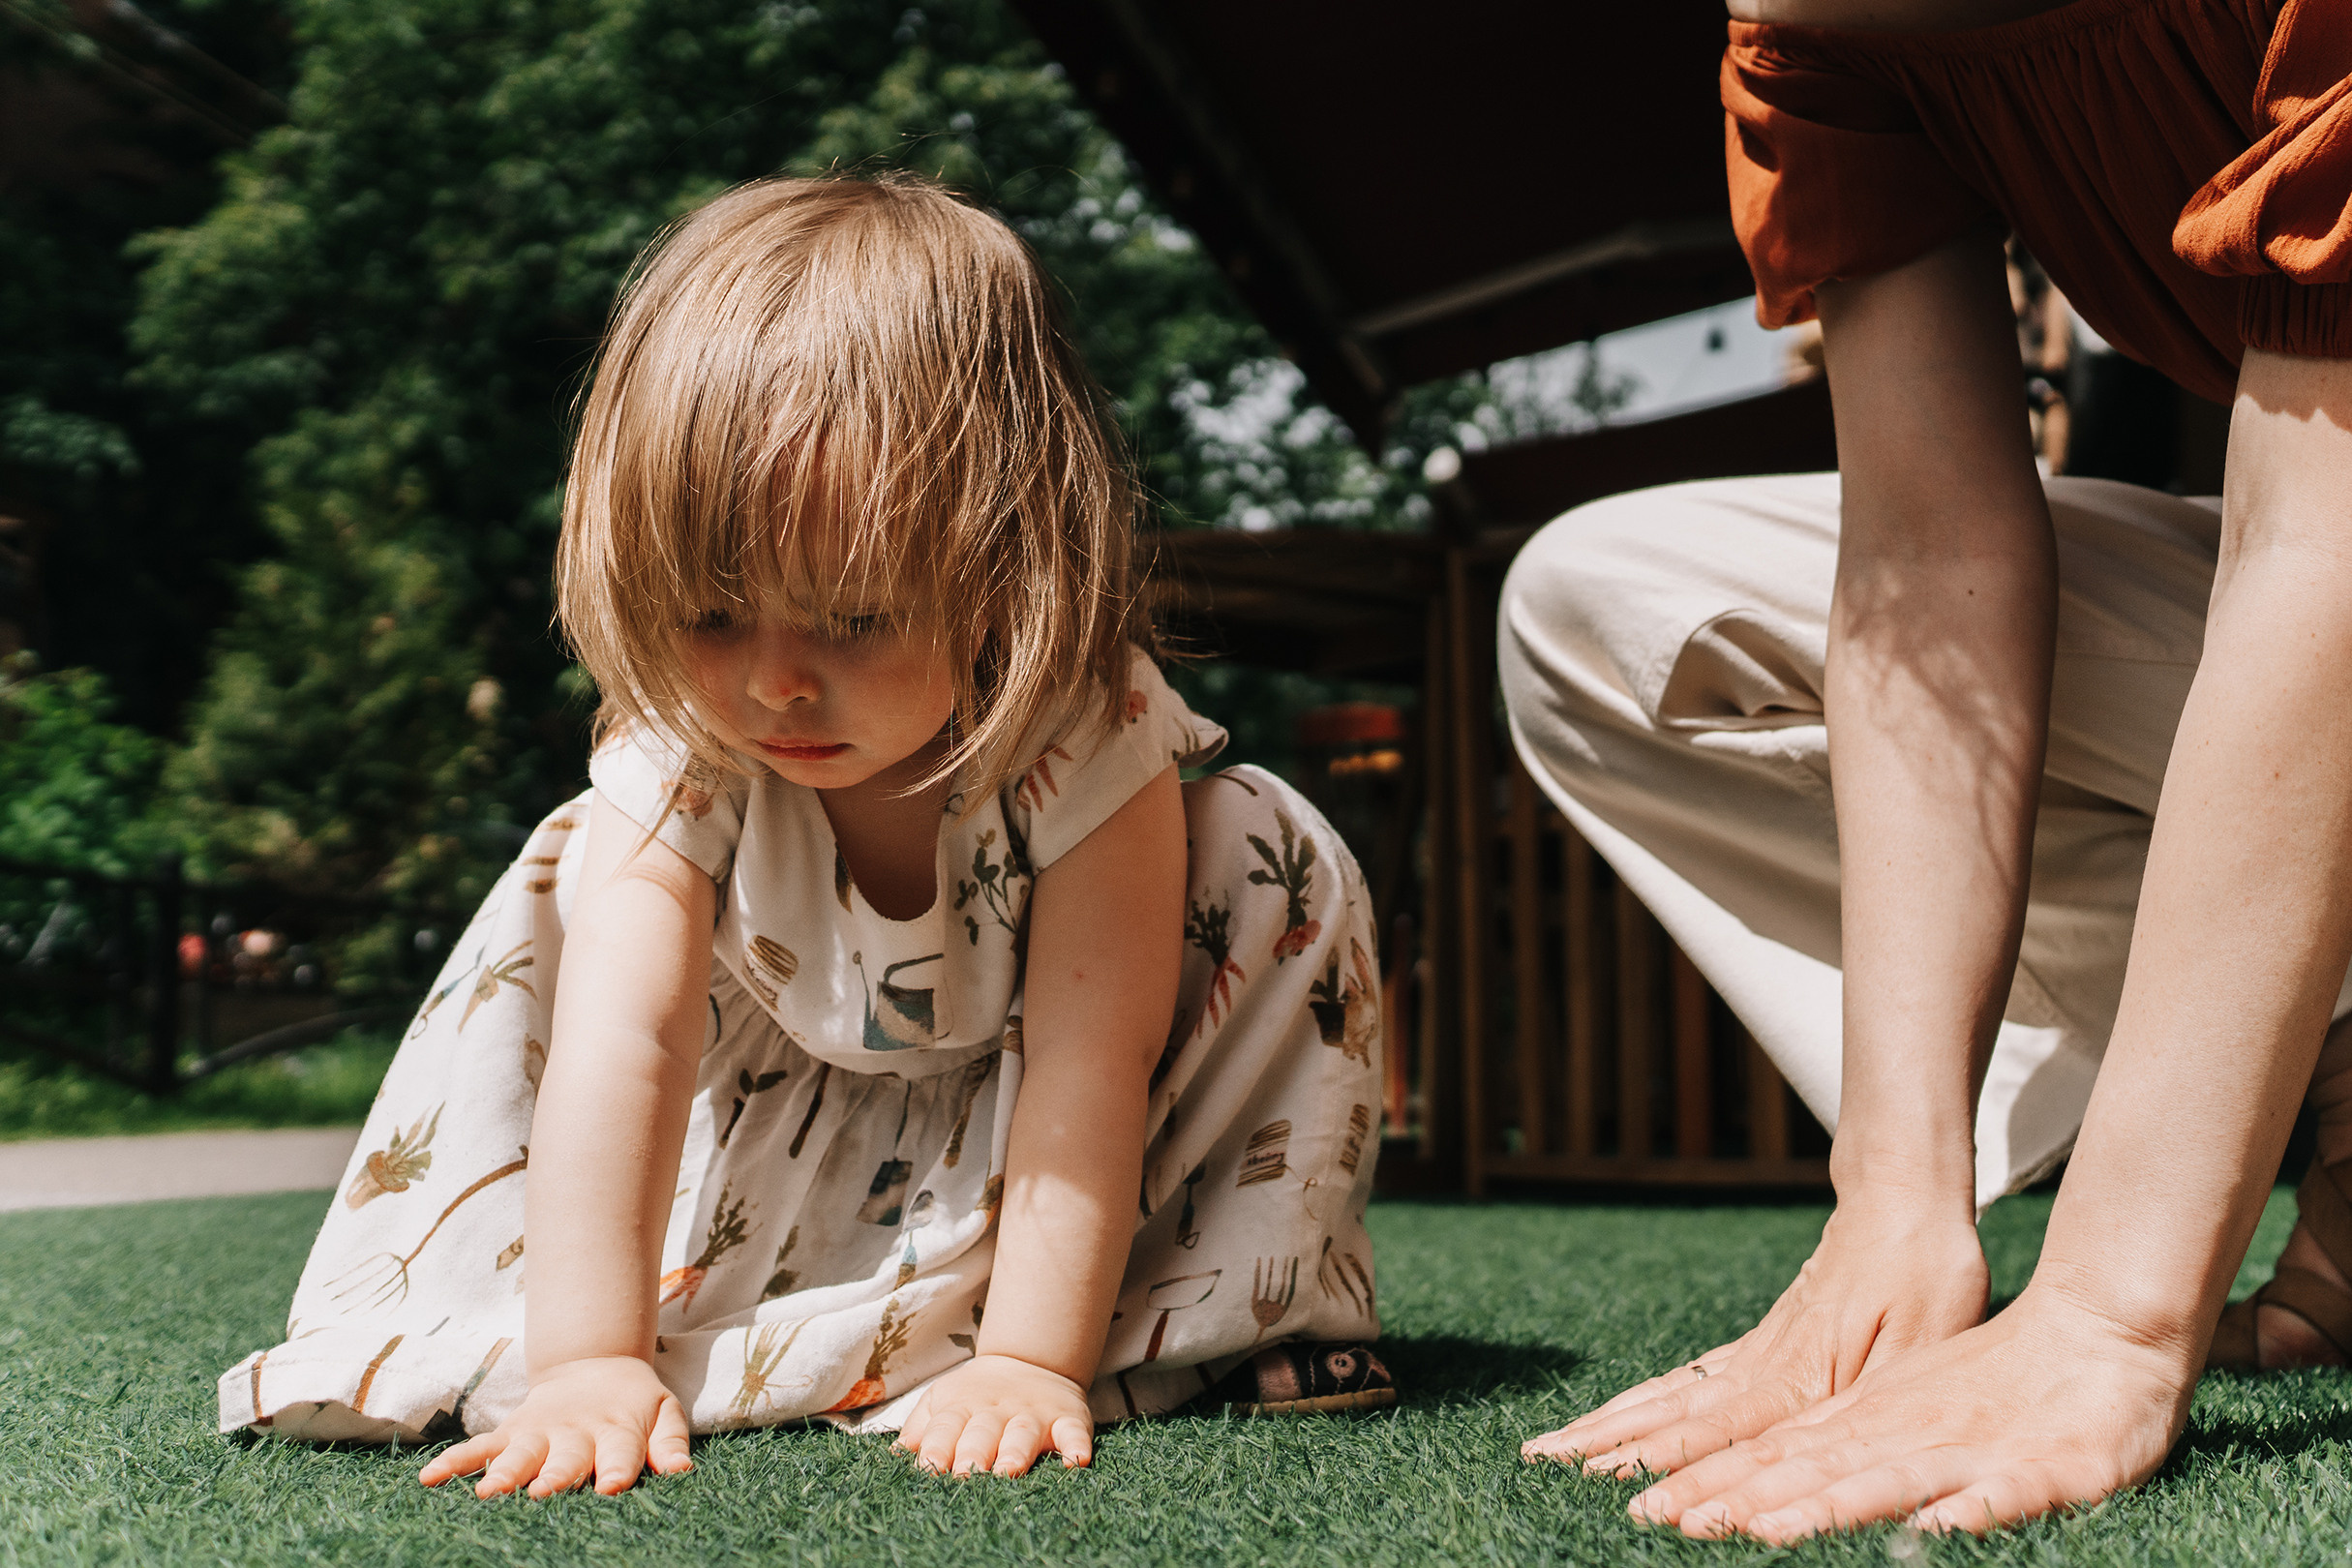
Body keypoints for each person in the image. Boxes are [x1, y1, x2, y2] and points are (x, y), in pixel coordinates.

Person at [216, 174, 1392, 1496]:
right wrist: (593, 1362)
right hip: (775, 1115)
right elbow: (624, 1046)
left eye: (851, 619)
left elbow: (1089, 1063)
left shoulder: (1083, 729)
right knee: (574, 856)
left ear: (1004, 565)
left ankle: (1215, 1313)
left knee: (1256, 843)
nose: (775, 683)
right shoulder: (688, 737)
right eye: (714, 612)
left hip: (1080, 1140)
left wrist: (1030, 1363)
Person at [1505, 0, 2352, 1541]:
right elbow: (1922, 561)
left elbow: (2330, 534)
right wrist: (1894, 1202)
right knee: (1610, 606)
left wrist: (2107, 1311)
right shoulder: (1806, 32)